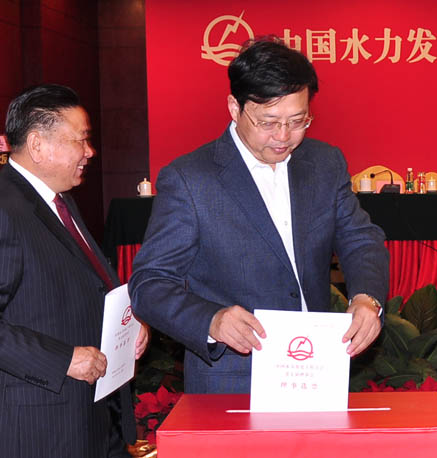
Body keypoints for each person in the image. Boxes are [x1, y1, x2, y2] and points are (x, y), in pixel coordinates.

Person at [129, 37, 389, 394]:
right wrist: (211, 320)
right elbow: (150, 283)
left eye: (298, 121)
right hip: (233, 379)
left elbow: (361, 239)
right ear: (235, 108)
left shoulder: (324, 163)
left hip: (315, 372)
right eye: (268, 122)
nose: (283, 136)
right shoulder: (190, 179)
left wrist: (366, 299)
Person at [0, 84, 148, 458]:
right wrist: (63, 359)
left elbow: (83, 287)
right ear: (37, 145)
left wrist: (128, 326)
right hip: (41, 427)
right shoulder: (5, 207)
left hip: (92, 416)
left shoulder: (58, 199)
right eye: (80, 140)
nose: (89, 151)